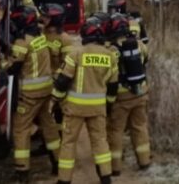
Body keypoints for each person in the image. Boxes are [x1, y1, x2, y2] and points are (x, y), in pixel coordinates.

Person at [51, 16, 119, 184]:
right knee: (100, 142)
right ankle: (105, 177)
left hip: (75, 108)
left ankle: (64, 180)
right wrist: (109, 104)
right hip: (98, 108)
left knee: (68, 143)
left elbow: (63, 81)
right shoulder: (110, 56)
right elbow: (113, 85)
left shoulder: (76, 53)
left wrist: (55, 100)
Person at [5, 5, 61, 180]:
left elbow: (12, 68)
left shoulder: (23, 42)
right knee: (49, 127)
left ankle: (22, 171)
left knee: (21, 130)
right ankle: (58, 163)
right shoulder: (40, 36)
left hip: (30, 95)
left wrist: (0, 62)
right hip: (45, 91)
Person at [104, 12, 152, 174]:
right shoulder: (139, 44)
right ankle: (144, 161)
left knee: (115, 130)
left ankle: (115, 167)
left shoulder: (110, 50)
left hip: (121, 97)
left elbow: (107, 75)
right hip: (140, 92)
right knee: (140, 127)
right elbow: (145, 60)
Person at [41, 3, 79, 75]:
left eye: (46, 17)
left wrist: (57, 77)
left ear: (55, 19)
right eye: (43, 16)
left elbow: (67, 64)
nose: (43, 18)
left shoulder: (65, 39)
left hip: (52, 81)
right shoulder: (39, 33)